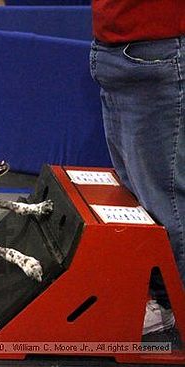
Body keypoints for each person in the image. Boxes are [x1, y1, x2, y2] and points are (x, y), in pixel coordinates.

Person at [89, 1, 184, 334]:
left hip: (152, 52)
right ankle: (165, 300)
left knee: (165, 201)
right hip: (115, 52)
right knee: (138, 198)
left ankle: (177, 305)